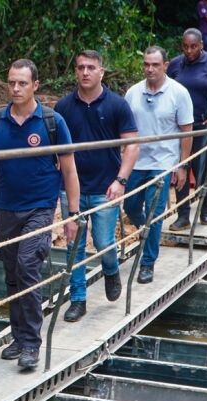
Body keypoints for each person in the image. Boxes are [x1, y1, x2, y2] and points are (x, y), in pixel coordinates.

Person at [0, 59, 79, 369]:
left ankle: (32, 343)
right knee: (11, 274)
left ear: (35, 85)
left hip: (40, 208)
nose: (16, 88)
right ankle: (18, 337)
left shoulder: (52, 122)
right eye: (11, 83)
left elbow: (69, 169)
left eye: (22, 83)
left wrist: (73, 213)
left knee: (27, 267)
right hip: (5, 208)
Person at [54, 50, 139, 322]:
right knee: (74, 246)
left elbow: (132, 144)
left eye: (91, 67)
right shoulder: (64, 107)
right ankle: (78, 299)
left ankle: (111, 270)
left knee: (104, 242)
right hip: (71, 189)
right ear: (75, 71)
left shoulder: (116, 105)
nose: (85, 72)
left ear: (101, 71)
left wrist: (121, 180)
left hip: (106, 187)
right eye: (80, 67)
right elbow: (55, 150)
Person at [124, 47, 194, 284]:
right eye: (146, 64)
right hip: (136, 161)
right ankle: (149, 233)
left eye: (155, 64)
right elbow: (124, 130)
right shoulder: (133, 93)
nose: (150, 69)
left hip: (163, 162)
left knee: (155, 212)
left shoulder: (179, 93)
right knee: (131, 205)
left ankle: (147, 262)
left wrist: (182, 165)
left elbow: (186, 132)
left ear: (165, 65)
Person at [167, 28, 207, 229]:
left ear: (201, 45)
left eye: (193, 46)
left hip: (203, 124)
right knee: (181, 168)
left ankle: (204, 207)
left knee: (201, 168)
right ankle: (183, 214)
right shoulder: (176, 64)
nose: (189, 51)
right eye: (185, 47)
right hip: (179, 127)